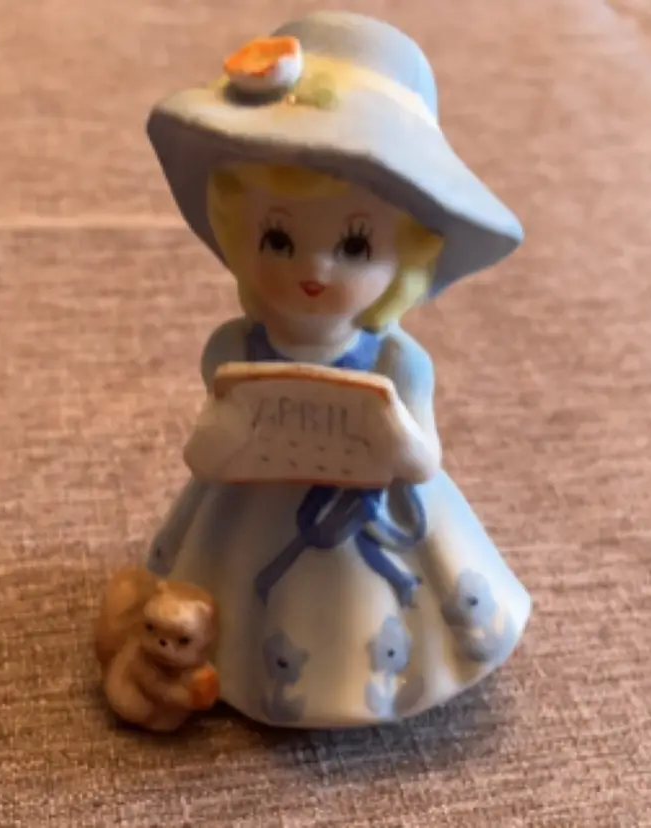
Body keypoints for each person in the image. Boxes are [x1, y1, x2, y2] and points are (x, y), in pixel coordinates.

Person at [142, 10, 531, 728]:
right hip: (252, 513)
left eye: (354, 247)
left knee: (363, 615)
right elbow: (204, 450)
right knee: (250, 589)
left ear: (405, 259)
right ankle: (239, 664)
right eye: (278, 238)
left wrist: (390, 434)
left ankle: (374, 680)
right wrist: (231, 430)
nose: (313, 269)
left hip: (372, 522)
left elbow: (423, 458)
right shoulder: (235, 345)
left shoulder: (396, 358)